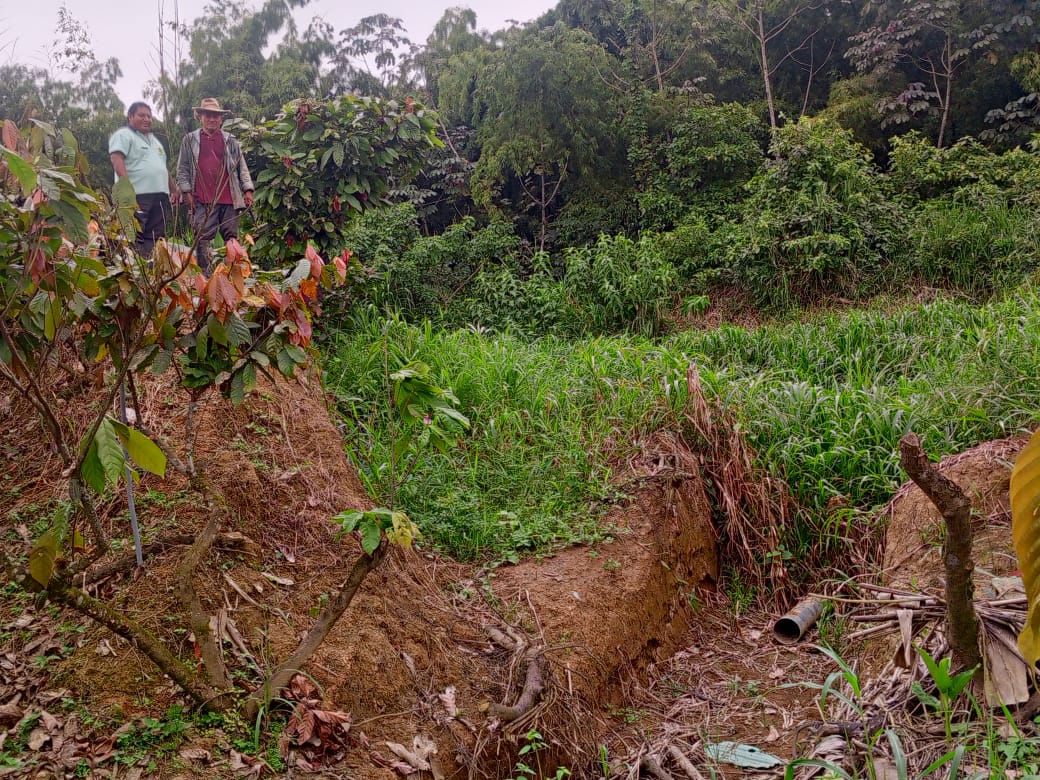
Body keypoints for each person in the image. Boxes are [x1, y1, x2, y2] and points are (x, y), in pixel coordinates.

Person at [176, 98, 255, 272]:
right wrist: (186, 193)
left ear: (221, 119)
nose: (212, 119)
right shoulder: (190, 140)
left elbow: (241, 166)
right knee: (202, 237)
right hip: (202, 199)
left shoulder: (230, 140)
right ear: (200, 117)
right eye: (208, 115)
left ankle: (232, 275)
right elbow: (182, 169)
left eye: (216, 116)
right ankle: (204, 277)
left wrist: (248, 189)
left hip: (229, 198)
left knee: (231, 238)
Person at [109, 101, 179, 258]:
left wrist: (174, 189)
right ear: (130, 116)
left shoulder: (155, 141)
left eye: (149, 116)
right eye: (142, 115)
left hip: (160, 195)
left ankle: (150, 268)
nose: (147, 119)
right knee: (133, 234)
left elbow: (162, 167)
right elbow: (116, 158)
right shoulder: (124, 135)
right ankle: (134, 267)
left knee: (155, 236)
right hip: (137, 194)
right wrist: (126, 186)